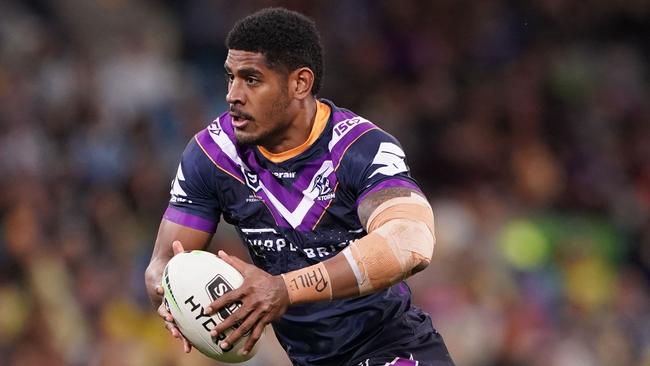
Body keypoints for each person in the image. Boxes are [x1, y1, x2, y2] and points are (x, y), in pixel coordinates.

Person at [145, 7, 454, 366]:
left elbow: (411, 242)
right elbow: (162, 263)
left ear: (300, 83)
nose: (233, 94)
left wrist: (285, 289)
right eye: (230, 78)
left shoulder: (358, 149)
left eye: (252, 79)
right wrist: (172, 297)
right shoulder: (212, 156)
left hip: (393, 348)